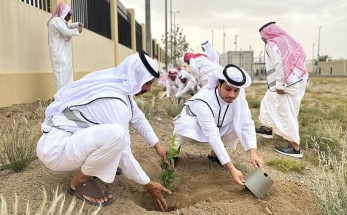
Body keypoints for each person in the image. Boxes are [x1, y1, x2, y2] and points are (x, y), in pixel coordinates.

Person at [36, 51, 171, 210]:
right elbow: (124, 153)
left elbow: (137, 117)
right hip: (57, 150)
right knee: (117, 137)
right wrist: (148, 184)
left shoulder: (119, 86)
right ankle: (79, 181)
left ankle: (94, 168)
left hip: (69, 139)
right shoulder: (114, 102)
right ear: (135, 77)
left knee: (114, 140)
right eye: (147, 83)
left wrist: (157, 145)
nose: (148, 89)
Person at [173, 64, 264, 186]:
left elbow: (247, 123)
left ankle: (215, 156)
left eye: (236, 90)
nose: (232, 95)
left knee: (237, 124)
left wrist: (253, 153)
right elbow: (213, 135)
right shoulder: (204, 101)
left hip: (218, 125)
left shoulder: (239, 99)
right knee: (185, 125)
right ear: (218, 84)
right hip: (196, 125)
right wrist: (231, 168)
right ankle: (173, 153)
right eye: (228, 89)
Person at [256, 22, 308, 158]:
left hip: (286, 84)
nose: (262, 38)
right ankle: (267, 128)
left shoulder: (272, 44)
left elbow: (280, 64)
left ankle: (295, 147)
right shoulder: (290, 41)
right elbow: (304, 57)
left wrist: (280, 85)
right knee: (268, 101)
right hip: (299, 80)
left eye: (262, 35)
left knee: (286, 112)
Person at [47, 2, 83, 91]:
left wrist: (77, 24)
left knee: (67, 75)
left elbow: (68, 26)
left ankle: (67, 97)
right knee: (60, 77)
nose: (70, 17)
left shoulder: (61, 22)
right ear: (64, 13)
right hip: (59, 55)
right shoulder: (56, 21)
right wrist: (77, 31)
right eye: (69, 14)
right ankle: (60, 99)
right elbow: (65, 31)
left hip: (64, 55)